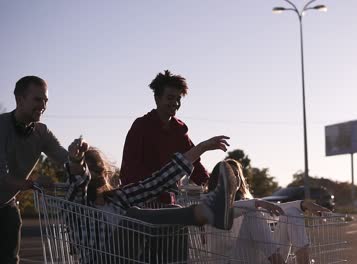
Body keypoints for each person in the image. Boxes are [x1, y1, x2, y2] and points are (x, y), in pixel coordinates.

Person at [66, 135, 237, 263]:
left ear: (105, 171)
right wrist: (76, 161)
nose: (97, 174)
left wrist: (201, 147)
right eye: (90, 170)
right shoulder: (76, 206)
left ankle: (206, 214)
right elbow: (79, 182)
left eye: (98, 168)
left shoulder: (118, 198)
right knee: (134, 217)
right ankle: (205, 212)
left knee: (173, 212)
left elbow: (157, 182)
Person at [0, 76, 83, 264]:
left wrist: (78, 156)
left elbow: (65, 160)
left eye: (45, 100)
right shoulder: (1, 126)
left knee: (10, 259)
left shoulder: (42, 132)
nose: (43, 105)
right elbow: (2, 176)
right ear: (20, 100)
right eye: (38, 99)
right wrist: (33, 183)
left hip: (6, 205)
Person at [207, 159, 330, 264]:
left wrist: (303, 204)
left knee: (291, 213)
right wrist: (257, 203)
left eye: (237, 174)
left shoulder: (246, 203)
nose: (235, 177)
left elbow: (274, 211)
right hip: (230, 260)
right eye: (229, 174)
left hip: (257, 258)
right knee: (252, 213)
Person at [120, 70, 210, 204]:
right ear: (157, 98)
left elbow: (194, 163)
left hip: (169, 202)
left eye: (178, 99)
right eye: (170, 98)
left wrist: (212, 185)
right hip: (141, 202)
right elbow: (129, 170)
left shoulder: (179, 130)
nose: (175, 103)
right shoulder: (141, 126)